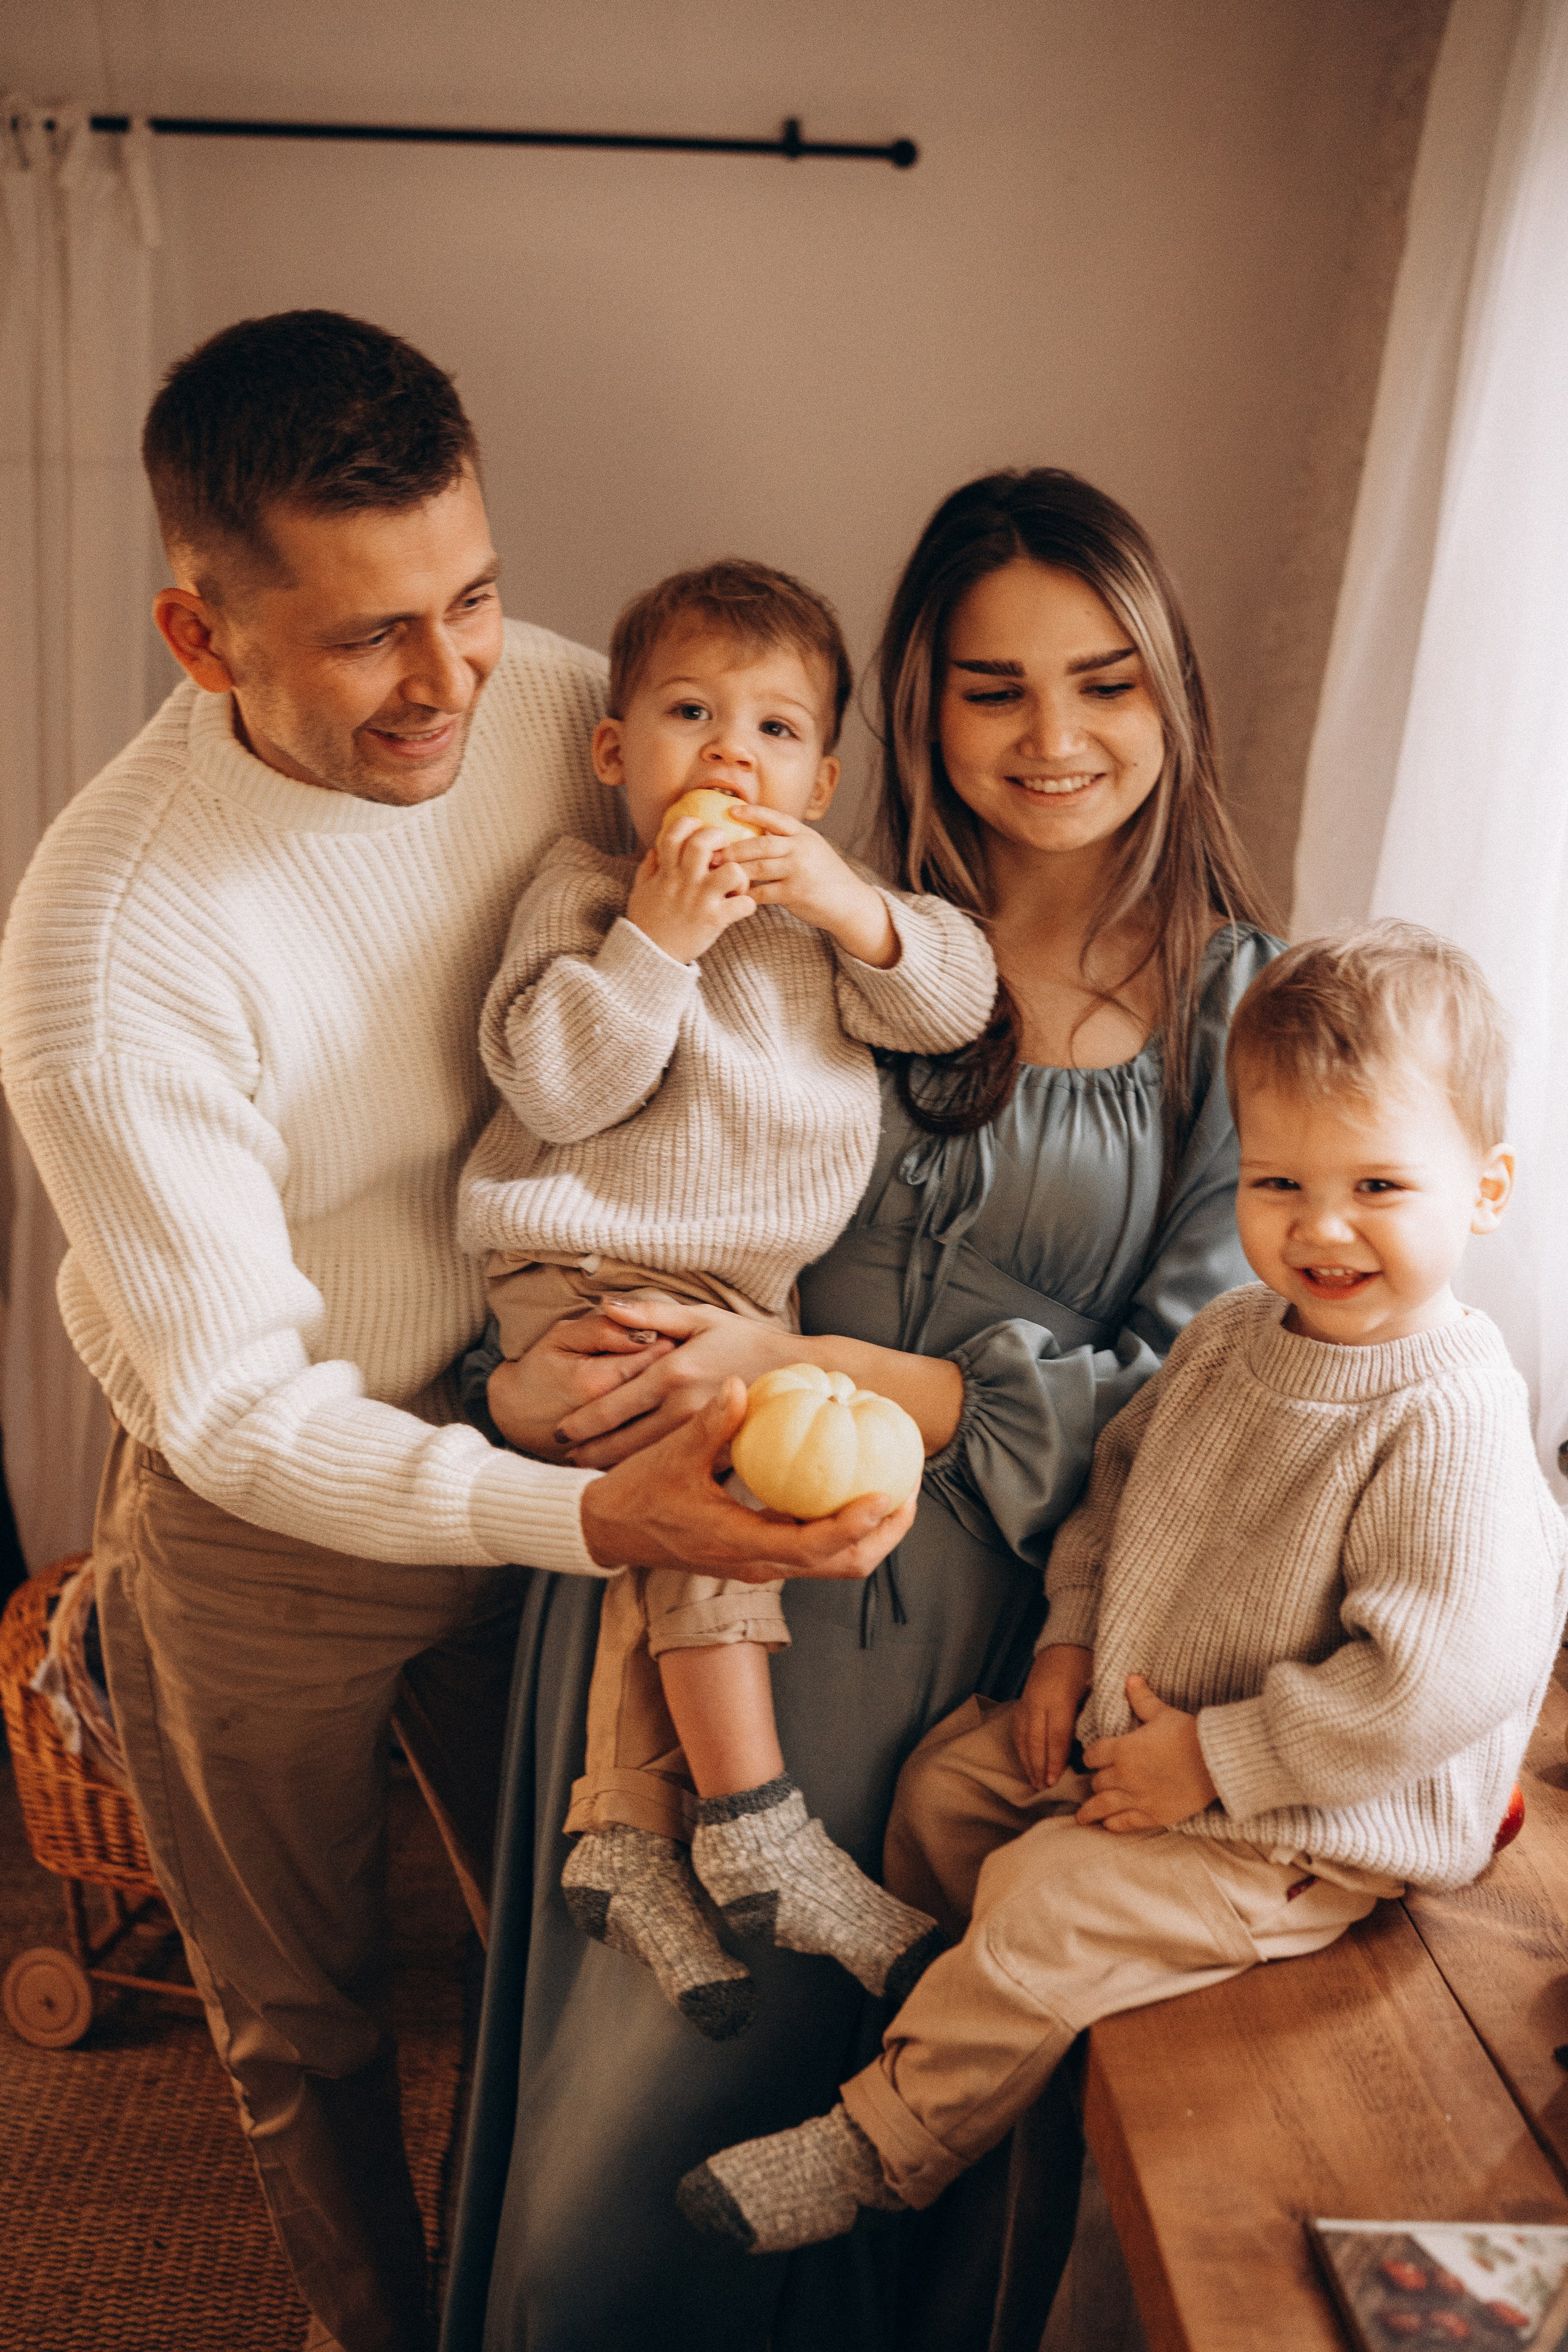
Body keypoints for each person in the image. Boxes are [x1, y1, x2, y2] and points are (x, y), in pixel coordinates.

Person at [0, 311, 912, 2352]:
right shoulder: (108, 946)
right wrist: (591, 1517)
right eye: (365, 637)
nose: (450, 680)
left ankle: (543, 2301)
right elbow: (235, 1407)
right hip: (274, 1529)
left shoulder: (578, 705)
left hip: (577, 1420)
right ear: (200, 630)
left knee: (577, 1954)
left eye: (474, 596)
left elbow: (780, 974)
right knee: (302, 2014)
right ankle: (373, 2331)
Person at [441, 467, 1280, 2352]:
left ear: (1173, 695)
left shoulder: (1239, 1010)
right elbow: (580, 1173)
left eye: (1104, 682)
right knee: (610, 2179)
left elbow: (1208, 1397)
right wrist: (511, 1382)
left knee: (836, 2164)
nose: (1054, 739)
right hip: (685, 1542)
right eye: (993, 688)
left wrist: (825, 1372)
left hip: (970, 1615)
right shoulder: (799, 923)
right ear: (915, 707)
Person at [677, 922, 1568, 2252]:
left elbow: (1431, 1683)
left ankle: (884, 2144)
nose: (1319, 1228)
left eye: (1378, 1186)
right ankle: (968, 2039)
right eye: (1278, 1182)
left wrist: (1212, 1761)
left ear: (1483, 1190)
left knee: (1046, 1899)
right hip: (1137, 1729)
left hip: (1305, 1818)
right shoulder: (1227, 1340)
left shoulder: (1447, 1416)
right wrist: (1064, 1649)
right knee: (942, 1789)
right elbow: (1118, 1494)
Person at [458, 557, 998, 2037]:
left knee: (690, 1524)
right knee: (720, 1515)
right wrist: (659, 940)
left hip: (729, 1286)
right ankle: (752, 1819)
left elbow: (955, 1005)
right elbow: (555, 1084)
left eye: (770, 730)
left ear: (817, 781)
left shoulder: (823, 922)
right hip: (587, 1261)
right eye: (689, 714)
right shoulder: (586, 897)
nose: (726, 755)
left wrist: (844, 902)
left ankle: (625, 1831)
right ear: (613, 753)